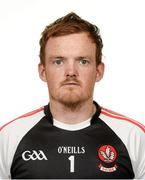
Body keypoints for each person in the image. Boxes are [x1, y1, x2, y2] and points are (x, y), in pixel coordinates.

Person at [0, 12, 145, 179]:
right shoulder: (9, 137)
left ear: (98, 71)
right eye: (58, 61)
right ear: (43, 72)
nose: (71, 72)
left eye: (83, 61)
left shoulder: (134, 137)